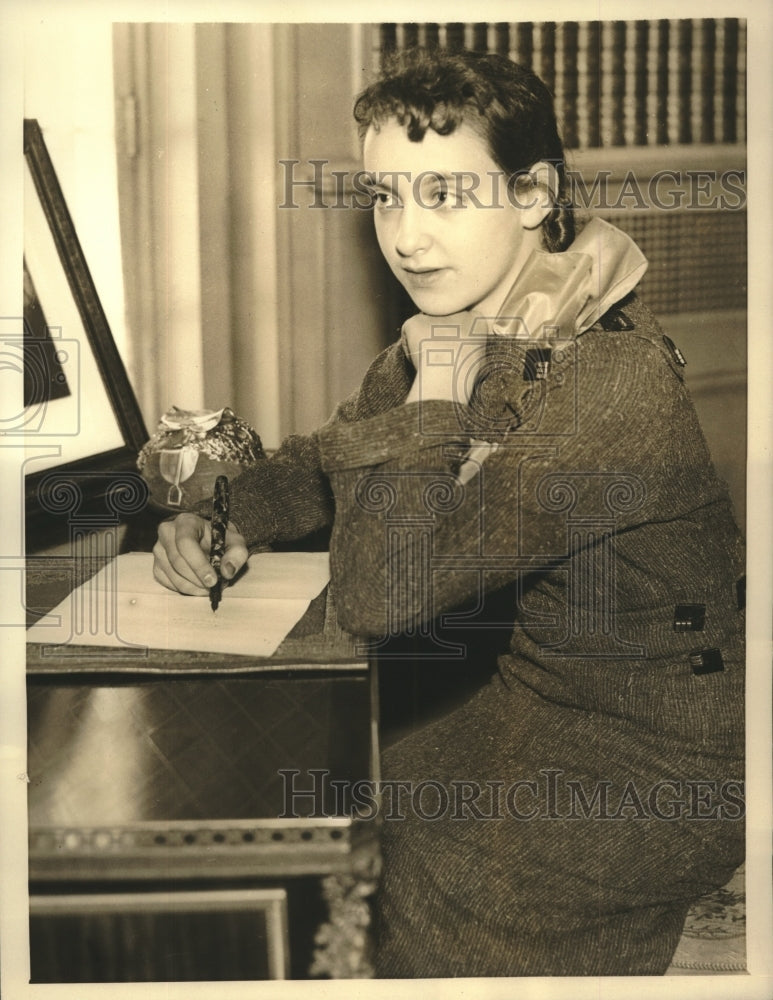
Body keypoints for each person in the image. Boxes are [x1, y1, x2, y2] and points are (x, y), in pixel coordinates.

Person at [152, 48, 745, 977]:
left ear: (533, 195)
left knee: (403, 842)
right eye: (386, 197)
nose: (405, 236)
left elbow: (383, 597)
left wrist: (431, 388)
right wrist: (227, 514)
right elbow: (327, 456)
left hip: (649, 768)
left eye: (442, 195)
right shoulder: (470, 325)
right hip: (533, 697)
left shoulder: (607, 375)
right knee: (329, 789)